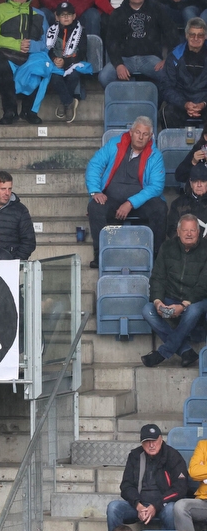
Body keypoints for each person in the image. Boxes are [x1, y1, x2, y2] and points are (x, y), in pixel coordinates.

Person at [86, 116, 167, 266]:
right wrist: (95, 191)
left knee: (160, 207)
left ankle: (157, 256)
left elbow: (156, 186)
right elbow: (94, 164)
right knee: (95, 206)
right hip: (112, 199)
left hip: (140, 203)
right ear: (131, 132)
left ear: (150, 137)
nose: (141, 137)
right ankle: (100, 255)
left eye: (145, 134)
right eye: (138, 132)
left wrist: (130, 203)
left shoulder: (155, 156)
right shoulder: (115, 144)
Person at [140, 213, 207, 367]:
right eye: (185, 230)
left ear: (198, 232)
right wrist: (157, 302)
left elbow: (204, 284)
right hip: (171, 299)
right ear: (178, 232)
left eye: (193, 230)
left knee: (193, 311)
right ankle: (186, 351)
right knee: (147, 310)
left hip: (197, 301)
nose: (189, 234)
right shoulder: (167, 247)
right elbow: (157, 277)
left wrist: (183, 305)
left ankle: (163, 353)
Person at [106, 423, 188, 531]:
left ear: (161, 439)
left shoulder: (173, 456)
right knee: (113, 508)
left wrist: (156, 505)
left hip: (163, 504)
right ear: (142, 443)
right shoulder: (135, 455)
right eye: (147, 442)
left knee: (171, 510)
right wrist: (138, 505)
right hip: (139, 504)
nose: (151, 445)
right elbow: (126, 486)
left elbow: (180, 488)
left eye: (154, 441)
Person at [0, 0, 49, 126]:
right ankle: (10, 110)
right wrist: (17, 45)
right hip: (6, 53)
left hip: (31, 54)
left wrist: (32, 47)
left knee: (41, 67)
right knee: (1, 65)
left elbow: (47, 42)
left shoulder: (39, 14)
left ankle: (28, 111)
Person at [99, 0, 178, 88]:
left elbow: (172, 33)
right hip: (125, 59)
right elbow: (112, 42)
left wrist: (167, 59)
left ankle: (155, 104)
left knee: (170, 76)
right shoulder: (117, 14)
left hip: (150, 58)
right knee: (104, 77)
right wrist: (118, 64)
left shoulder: (157, 10)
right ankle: (129, 95)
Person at [161, 17, 207, 129]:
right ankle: (176, 146)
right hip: (181, 102)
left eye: (200, 35)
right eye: (192, 34)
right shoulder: (174, 56)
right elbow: (166, 88)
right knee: (167, 113)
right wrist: (185, 104)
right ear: (186, 35)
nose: (196, 38)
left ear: (205, 36)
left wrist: (204, 103)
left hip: (204, 101)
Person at [46, 2, 88, 124]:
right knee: (54, 78)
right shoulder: (52, 31)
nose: (66, 17)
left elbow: (82, 53)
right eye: (62, 15)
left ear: (74, 16)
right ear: (56, 17)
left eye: (69, 14)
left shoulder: (81, 31)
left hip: (73, 63)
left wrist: (66, 61)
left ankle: (64, 102)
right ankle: (69, 102)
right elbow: (48, 50)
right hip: (56, 64)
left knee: (73, 76)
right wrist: (54, 59)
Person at [168, 162, 207, 235]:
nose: (199, 185)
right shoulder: (178, 204)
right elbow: (171, 229)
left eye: (203, 181)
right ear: (190, 183)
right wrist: (187, 242)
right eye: (195, 181)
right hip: (184, 245)